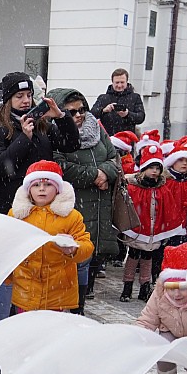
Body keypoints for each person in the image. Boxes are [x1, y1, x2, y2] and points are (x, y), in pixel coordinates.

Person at [49, 86, 121, 311]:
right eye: (71, 112)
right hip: (75, 201)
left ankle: (82, 299)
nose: (78, 115)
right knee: (75, 254)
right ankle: (73, 302)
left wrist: (106, 172)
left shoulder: (97, 128)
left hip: (100, 201)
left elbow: (113, 157)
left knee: (93, 251)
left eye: (81, 110)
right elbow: (61, 165)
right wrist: (95, 175)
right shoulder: (57, 133)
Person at [0, 72, 77, 215]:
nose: (26, 100)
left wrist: (61, 117)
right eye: (19, 96)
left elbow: (71, 144)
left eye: (29, 95)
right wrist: (24, 138)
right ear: (9, 100)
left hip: (44, 205)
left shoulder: (41, 125)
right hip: (12, 206)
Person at [7, 161, 93, 314]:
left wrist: (73, 249)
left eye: (47, 184)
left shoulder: (71, 216)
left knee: (52, 333)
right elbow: (6, 247)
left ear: (58, 189)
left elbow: (86, 245)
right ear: (28, 190)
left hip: (58, 292)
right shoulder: (16, 215)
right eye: (36, 185)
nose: (41, 189)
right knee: (26, 332)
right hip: (25, 290)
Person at [135, 243, 187, 374]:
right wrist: (138, 335)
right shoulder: (159, 294)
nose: (176, 293)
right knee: (163, 344)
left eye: (182, 288)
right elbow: (147, 318)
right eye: (171, 288)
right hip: (171, 331)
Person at [120, 146, 182, 301]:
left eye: (157, 168)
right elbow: (127, 207)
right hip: (137, 229)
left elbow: (169, 207)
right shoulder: (133, 187)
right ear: (143, 168)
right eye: (150, 168)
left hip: (153, 230)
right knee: (133, 257)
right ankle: (127, 287)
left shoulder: (162, 188)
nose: (154, 171)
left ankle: (144, 287)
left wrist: (167, 227)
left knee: (148, 258)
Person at [91, 68, 146, 136]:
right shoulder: (103, 98)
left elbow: (141, 117)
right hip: (107, 140)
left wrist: (127, 114)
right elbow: (91, 114)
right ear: (112, 82)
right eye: (117, 82)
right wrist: (104, 110)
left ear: (127, 82)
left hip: (127, 140)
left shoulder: (135, 97)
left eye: (122, 82)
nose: (119, 86)